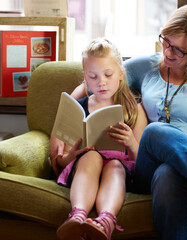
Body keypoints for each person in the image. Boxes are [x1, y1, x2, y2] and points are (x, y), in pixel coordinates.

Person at [51, 4, 187, 240]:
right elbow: (102, 77)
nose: (167, 52)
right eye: (165, 41)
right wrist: (66, 116)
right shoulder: (146, 66)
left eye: (179, 50)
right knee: (155, 133)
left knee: (169, 173)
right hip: (148, 166)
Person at [50, 38, 148, 240]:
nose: (101, 82)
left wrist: (130, 142)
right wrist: (71, 157)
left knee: (115, 165)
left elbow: (143, 160)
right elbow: (61, 159)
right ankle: (77, 217)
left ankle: (106, 221)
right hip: (84, 167)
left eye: (108, 74)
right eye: (93, 76)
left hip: (119, 172)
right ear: (85, 78)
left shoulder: (134, 108)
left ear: (121, 73)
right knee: (91, 157)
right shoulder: (79, 106)